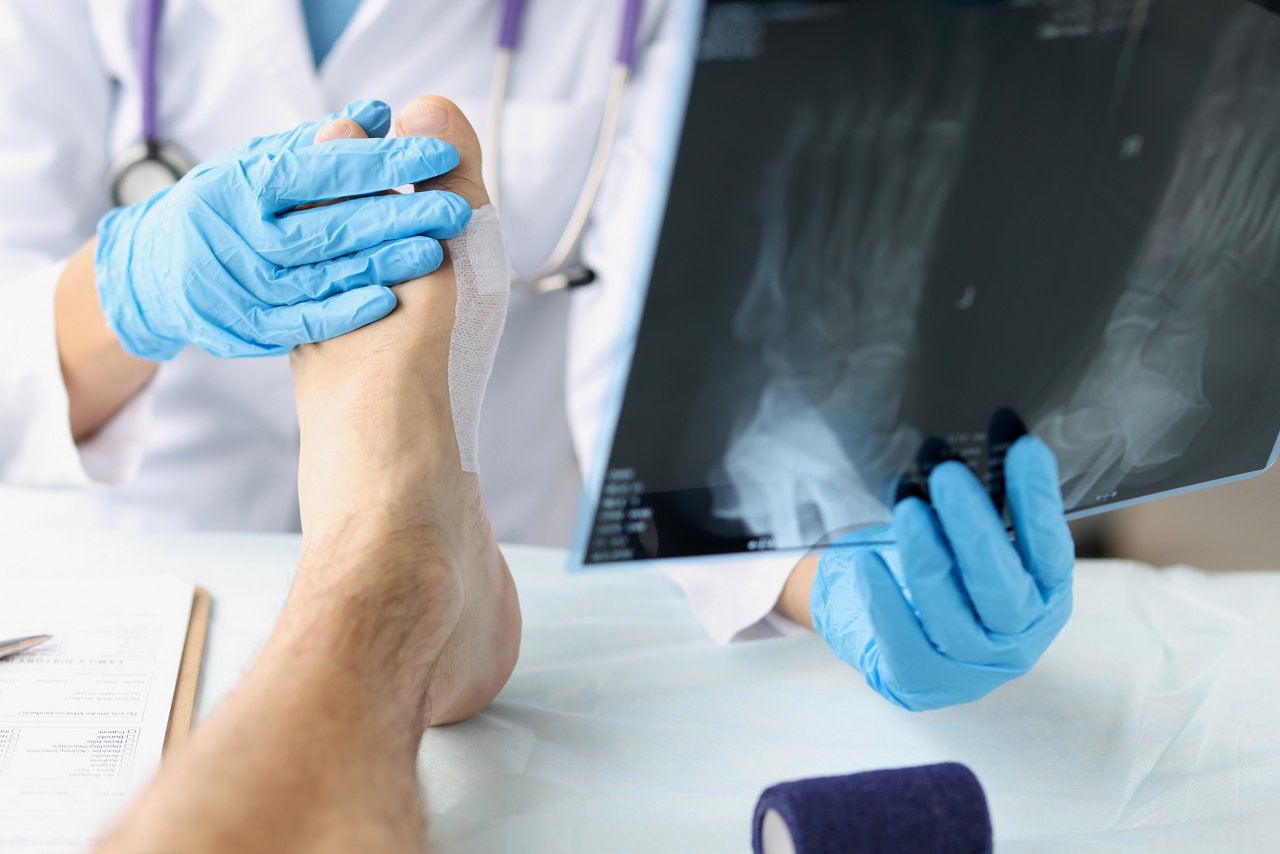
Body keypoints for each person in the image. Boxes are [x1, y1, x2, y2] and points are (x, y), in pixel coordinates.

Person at [0, 1, 1074, 712]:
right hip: (140, 566)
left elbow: (659, 352)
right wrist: (128, 286)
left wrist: (817, 563)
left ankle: (418, 564)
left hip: (503, 551)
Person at [97, 99, 511, 852]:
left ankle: (390, 538)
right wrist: (126, 286)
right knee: (382, 550)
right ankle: (413, 560)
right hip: (128, 551)